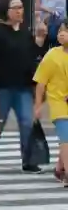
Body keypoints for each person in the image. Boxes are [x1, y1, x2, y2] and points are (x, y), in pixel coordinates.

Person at [0, 0, 48, 172]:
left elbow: (32, 55)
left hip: (23, 87)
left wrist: (40, 40)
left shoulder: (25, 32)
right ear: (6, 11)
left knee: (27, 122)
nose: (20, 11)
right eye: (16, 8)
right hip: (2, 88)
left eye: (21, 7)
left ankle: (28, 161)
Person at [33, 21, 68, 185]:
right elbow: (41, 82)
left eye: (66, 31)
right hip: (58, 103)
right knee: (66, 139)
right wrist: (38, 105)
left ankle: (59, 168)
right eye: (60, 31)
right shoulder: (52, 55)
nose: (62, 34)